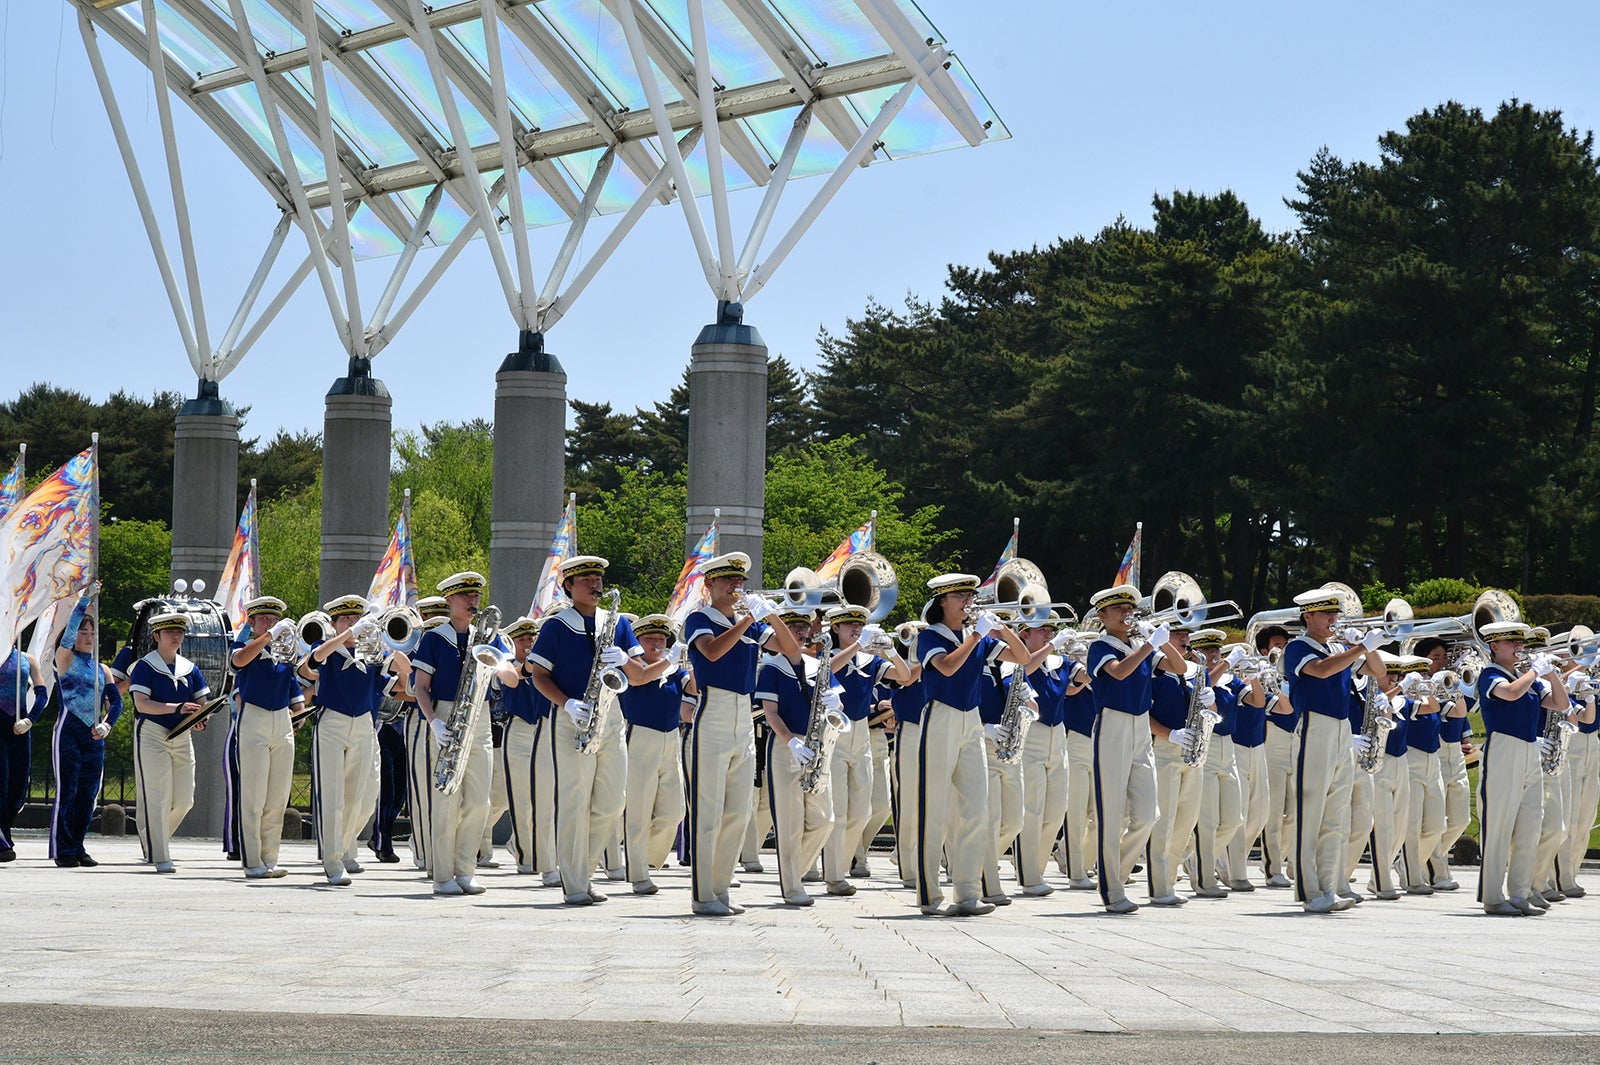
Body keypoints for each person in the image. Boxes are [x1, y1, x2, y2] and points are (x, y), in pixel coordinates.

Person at [528, 556, 664, 906]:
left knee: (612, 800)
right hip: (572, 718)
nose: (595, 584)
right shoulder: (557, 626)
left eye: (599, 577)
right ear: (569, 586)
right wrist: (567, 704)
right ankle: (574, 883)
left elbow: (638, 675)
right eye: (586, 578)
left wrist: (625, 660)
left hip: (611, 717)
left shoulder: (616, 622)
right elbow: (538, 676)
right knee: (573, 802)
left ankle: (584, 872)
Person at [682, 552, 802, 917]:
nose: (736, 587)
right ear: (710, 584)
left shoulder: (750, 624)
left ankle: (721, 889)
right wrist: (750, 617)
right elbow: (713, 653)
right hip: (713, 710)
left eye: (739, 582)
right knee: (708, 810)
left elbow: (792, 652)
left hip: (742, 717)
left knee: (738, 810)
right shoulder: (699, 618)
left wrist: (772, 616)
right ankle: (703, 894)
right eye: (728, 581)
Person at [914, 573, 1030, 916]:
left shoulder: (974, 635)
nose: (968, 601)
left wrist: (1002, 629)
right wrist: (979, 634)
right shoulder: (929, 636)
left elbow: (1022, 657)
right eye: (961, 596)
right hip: (940, 717)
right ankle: (928, 894)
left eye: (970, 596)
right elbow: (947, 668)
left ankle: (966, 893)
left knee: (978, 809)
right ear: (942, 602)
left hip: (971, 721)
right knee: (933, 809)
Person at [1086, 584, 1188, 914]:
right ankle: (1112, 890)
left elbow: (1180, 668)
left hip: (1141, 727)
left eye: (1130, 609)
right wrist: (1147, 645)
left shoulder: (1138, 644)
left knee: (1148, 815)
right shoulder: (1100, 646)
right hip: (1112, 726)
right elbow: (1118, 673)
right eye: (1119, 609)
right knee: (1112, 814)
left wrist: (1162, 639)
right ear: (1103, 615)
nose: (1127, 614)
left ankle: (1115, 873)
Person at [1282, 589, 1384, 914]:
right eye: (1325, 614)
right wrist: (1358, 648)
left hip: (1341, 730)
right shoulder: (1297, 647)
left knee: (1335, 815)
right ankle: (1309, 890)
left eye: (1334, 614)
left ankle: (1328, 886)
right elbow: (1322, 671)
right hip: (1314, 726)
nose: (1332, 620)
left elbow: (1378, 672)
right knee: (1310, 812)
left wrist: (1365, 647)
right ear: (1307, 617)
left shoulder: (1339, 648)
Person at [411, 572, 507, 897]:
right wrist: (434, 723)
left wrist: (505, 668)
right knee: (446, 800)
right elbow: (420, 688)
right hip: (446, 715)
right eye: (465, 596)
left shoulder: (489, 637)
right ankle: (442, 874)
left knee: (481, 801)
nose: (472, 601)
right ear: (449, 601)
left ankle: (465, 869)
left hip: (479, 717)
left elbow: (506, 674)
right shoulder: (435, 638)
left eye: (476, 595)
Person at [308, 595, 411, 886]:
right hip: (332, 723)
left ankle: (341, 848)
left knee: (360, 799)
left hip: (364, 724)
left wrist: (397, 652)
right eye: (346, 619)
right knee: (333, 794)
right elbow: (314, 660)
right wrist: (350, 633)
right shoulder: (327, 649)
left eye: (357, 618)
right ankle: (332, 860)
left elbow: (403, 686)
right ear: (334, 623)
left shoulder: (371, 655)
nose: (353, 623)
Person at [1476, 621, 1569, 915]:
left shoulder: (1527, 677)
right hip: (1503, 748)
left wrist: (1551, 673)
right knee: (1499, 824)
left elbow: (1561, 703)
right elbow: (1511, 694)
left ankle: (1519, 892)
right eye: (1512, 643)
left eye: (1521, 644)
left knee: (1531, 824)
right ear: (1494, 646)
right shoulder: (1490, 674)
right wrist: (1534, 672)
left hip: (1530, 749)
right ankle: (1492, 895)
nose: (1520, 648)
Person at [820, 605, 909, 896]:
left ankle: (840, 865)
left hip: (862, 734)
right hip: (836, 732)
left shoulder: (869, 661)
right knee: (839, 810)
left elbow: (904, 677)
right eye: (849, 626)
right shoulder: (828, 655)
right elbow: (827, 671)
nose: (856, 629)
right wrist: (859, 645)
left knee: (864, 810)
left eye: (859, 625)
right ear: (836, 628)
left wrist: (891, 650)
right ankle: (835, 875)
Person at [756, 607, 842, 905]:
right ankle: (792, 886)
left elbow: (837, 707)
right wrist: (791, 742)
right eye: (793, 627)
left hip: (817, 745)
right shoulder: (771, 667)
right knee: (790, 822)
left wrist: (836, 702)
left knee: (825, 820)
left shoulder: (818, 665)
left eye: (804, 627)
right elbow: (770, 714)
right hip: (786, 746)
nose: (801, 632)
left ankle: (793, 872)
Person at [617, 614, 695, 894]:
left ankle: (647, 858)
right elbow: (640, 680)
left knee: (674, 810)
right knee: (638, 809)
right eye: (650, 639)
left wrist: (694, 659)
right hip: (641, 736)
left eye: (661, 639)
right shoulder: (631, 666)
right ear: (637, 642)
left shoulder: (673, 669)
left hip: (671, 737)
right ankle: (638, 873)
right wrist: (669, 661)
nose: (657, 644)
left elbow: (695, 688)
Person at [128, 611, 210, 873]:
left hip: (181, 734)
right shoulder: (144, 666)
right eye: (170, 632)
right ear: (156, 636)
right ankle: (161, 855)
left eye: (180, 632)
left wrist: (201, 718)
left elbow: (202, 703)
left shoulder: (190, 667)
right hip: (152, 733)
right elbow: (142, 704)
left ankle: (152, 837)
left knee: (185, 799)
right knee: (158, 796)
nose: (176, 636)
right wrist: (177, 708)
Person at [228, 596, 305, 878]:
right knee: (254, 795)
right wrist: (270, 635)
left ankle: (270, 858)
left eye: (274, 620)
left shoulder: (285, 654)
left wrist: (299, 714)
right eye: (264, 619)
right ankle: (251, 860)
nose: (270, 623)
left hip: (281, 719)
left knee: (277, 796)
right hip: (254, 719)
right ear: (253, 622)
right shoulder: (243, 645)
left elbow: (295, 692)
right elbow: (238, 661)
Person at [49, 584, 123, 867]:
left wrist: (107, 726)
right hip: (69, 731)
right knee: (68, 791)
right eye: (83, 631)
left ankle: (78, 845)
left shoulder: (102, 669)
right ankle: (63, 849)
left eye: (92, 632)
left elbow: (115, 703)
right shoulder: (64, 659)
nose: (89, 636)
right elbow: (67, 637)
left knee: (88, 794)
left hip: (94, 735)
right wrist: (86, 600)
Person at [1012, 615, 1079, 896]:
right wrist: (1052, 646)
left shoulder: (1061, 663)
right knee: (1032, 808)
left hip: (1058, 734)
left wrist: (1085, 654)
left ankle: (1036, 870)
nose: (1048, 634)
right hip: (1033, 733)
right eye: (1042, 630)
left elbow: (1080, 682)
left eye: (1051, 630)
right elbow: (1025, 666)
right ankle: (1029, 875)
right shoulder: (1019, 659)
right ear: (1025, 634)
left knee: (1055, 811)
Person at [1145, 626, 1211, 905]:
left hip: (1193, 751)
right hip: (1165, 748)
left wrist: (1212, 702)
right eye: (1178, 633)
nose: (1185, 639)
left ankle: (1169, 880)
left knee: (1185, 821)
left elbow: (1211, 713)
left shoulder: (1198, 670)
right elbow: (1142, 712)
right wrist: (1170, 734)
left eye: (1187, 634)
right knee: (1165, 821)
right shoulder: (1153, 668)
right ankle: (1159, 886)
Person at [1190, 630, 1258, 898]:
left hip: (1227, 745)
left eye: (1216, 650)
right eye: (1207, 651)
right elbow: (1204, 684)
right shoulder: (1192, 673)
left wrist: (1255, 677)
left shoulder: (1228, 680)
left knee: (1232, 820)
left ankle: (1197, 860)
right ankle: (1206, 878)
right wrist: (1227, 663)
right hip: (1205, 743)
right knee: (1208, 820)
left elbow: (1258, 704)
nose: (1213, 654)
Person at [401, 595, 451, 871]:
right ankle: (423, 850)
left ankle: (443, 850)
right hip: (422, 720)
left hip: (449, 718)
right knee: (422, 789)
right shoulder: (413, 645)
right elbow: (411, 689)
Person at [1417, 637, 1470, 890]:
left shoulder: (1449, 687)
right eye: (1436, 657)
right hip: (1436, 754)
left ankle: (1422, 859)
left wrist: (1456, 683)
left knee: (1461, 820)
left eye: (1444, 657)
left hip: (1455, 756)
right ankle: (1435, 869)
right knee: (1435, 821)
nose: (1442, 662)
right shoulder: (1420, 689)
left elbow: (1461, 714)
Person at [1223, 644, 1270, 892]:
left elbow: (1259, 702)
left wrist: (1255, 677)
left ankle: (1226, 857)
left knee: (1261, 813)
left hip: (1257, 747)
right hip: (1235, 746)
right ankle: (1237, 872)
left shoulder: (1242, 683)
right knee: (1237, 814)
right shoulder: (1226, 681)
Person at [1255, 624, 1298, 888]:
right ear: (1263, 650)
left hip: (1298, 738)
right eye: (1277, 645)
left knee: (1295, 811)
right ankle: (1272, 869)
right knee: (1273, 812)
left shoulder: (1294, 671)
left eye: (1285, 644)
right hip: (1274, 740)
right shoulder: (1260, 673)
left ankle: (1290, 861)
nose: (1282, 649)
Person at [1057, 643, 1098, 890]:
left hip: (1100, 742)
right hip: (1076, 742)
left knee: (1099, 814)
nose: (1084, 657)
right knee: (1077, 811)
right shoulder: (1070, 673)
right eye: (1081, 653)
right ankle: (1076, 870)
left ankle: (1074, 855)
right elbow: (1075, 684)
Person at [0, 641, 46, 862]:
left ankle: (5, 830)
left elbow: (42, 694)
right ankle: (2, 839)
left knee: (17, 787)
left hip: (19, 727)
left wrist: (30, 720)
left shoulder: (28, 659)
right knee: (1, 781)